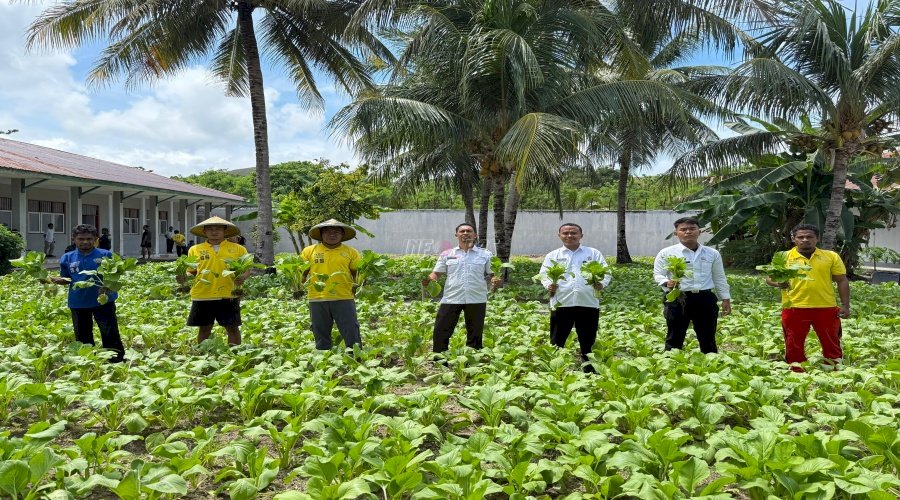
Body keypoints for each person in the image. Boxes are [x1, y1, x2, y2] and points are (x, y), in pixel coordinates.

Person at [764, 224, 850, 372]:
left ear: (817, 238)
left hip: (826, 307)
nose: (805, 240)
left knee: (831, 342)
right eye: (800, 237)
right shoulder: (783, 256)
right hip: (794, 307)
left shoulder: (830, 256)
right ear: (793, 239)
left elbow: (841, 280)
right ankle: (797, 372)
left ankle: (835, 372)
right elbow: (769, 278)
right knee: (793, 343)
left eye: (809, 237)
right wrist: (778, 283)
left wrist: (845, 305)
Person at [539, 223, 612, 373]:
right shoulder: (553, 256)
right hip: (561, 302)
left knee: (588, 340)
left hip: (588, 302)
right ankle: (555, 369)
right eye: (565, 233)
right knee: (557, 339)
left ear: (581, 235)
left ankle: (590, 370)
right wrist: (548, 285)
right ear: (559, 235)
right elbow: (544, 275)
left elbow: (607, 272)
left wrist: (602, 283)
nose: (569, 236)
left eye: (573, 233)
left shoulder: (593, 253)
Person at [653, 217, 731, 354]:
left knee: (708, 336)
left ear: (699, 232)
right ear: (676, 233)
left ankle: (711, 365)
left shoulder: (712, 253)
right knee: (674, 335)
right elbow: (658, 274)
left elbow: (719, 277)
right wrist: (667, 282)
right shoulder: (666, 253)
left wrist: (725, 299)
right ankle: (670, 365)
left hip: (705, 298)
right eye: (683, 229)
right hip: (677, 298)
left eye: (692, 229)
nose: (688, 232)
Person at [50, 224, 125, 363]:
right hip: (78, 302)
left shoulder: (105, 255)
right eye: (81, 239)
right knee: (82, 335)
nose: (85, 242)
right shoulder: (67, 258)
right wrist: (53, 280)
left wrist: (107, 285)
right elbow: (67, 279)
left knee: (109, 332)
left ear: (96, 239)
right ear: (74, 239)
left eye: (89, 239)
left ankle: (116, 361)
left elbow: (115, 275)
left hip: (103, 301)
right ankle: (87, 361)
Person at [423, 223, 501, 355]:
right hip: (451, 297)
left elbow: (493, 275)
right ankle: (440, 359)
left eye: (469, 231)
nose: (465, 233)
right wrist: (428, 279)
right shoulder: (447, 254)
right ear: (456, 235)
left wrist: (496, 281)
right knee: (441, 330)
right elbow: (436, 273)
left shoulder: (485, 254)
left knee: (475, 332)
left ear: (475, 235)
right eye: (462, 231)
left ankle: (472, 361)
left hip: (476, 298)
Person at [177, 216, 249, 346]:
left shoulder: (239, 249)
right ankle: (204, 356)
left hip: (229, 294)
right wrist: (184, 277)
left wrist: (242, 277)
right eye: (210, 229)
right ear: (204, 231)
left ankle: (235, 354)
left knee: (232, 327)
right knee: (204, 328)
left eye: (218, 229)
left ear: (225, 231)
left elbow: (247, 269)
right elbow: (191, 271)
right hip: (203, 294)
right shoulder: (195, 249)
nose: (214, 232)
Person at [301, 219, 363, 351]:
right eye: (328, 231)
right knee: (320, 332)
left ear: (342, 234)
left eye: (336, 231)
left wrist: (359, 286)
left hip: (344, 297)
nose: (332, 234)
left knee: (351, 330)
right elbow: (303, 273)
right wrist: (299, 286)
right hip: (317, 298)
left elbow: (357, 273)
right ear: (321, 234)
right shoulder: (309, 251)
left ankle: (356, 357)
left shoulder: (351, 252)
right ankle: (324, 359)